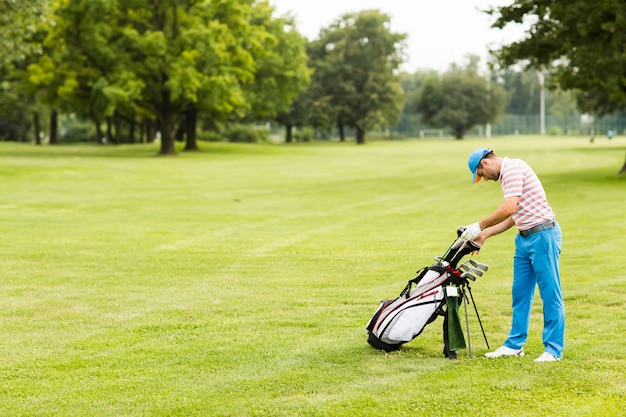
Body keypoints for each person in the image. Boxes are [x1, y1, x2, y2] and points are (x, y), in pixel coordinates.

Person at [459, 148, 565, 362]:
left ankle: (553, 350)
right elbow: (515, 215)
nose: (485, 180)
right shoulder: (507, 176)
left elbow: (509, 208)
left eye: (481, 175)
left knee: (550, 293)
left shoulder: (514, 168)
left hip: (543, 235)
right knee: (520, 293)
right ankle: (514, 345)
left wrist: (479, 225)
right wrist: (485, 234)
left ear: (485, 163)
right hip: (524, 238)